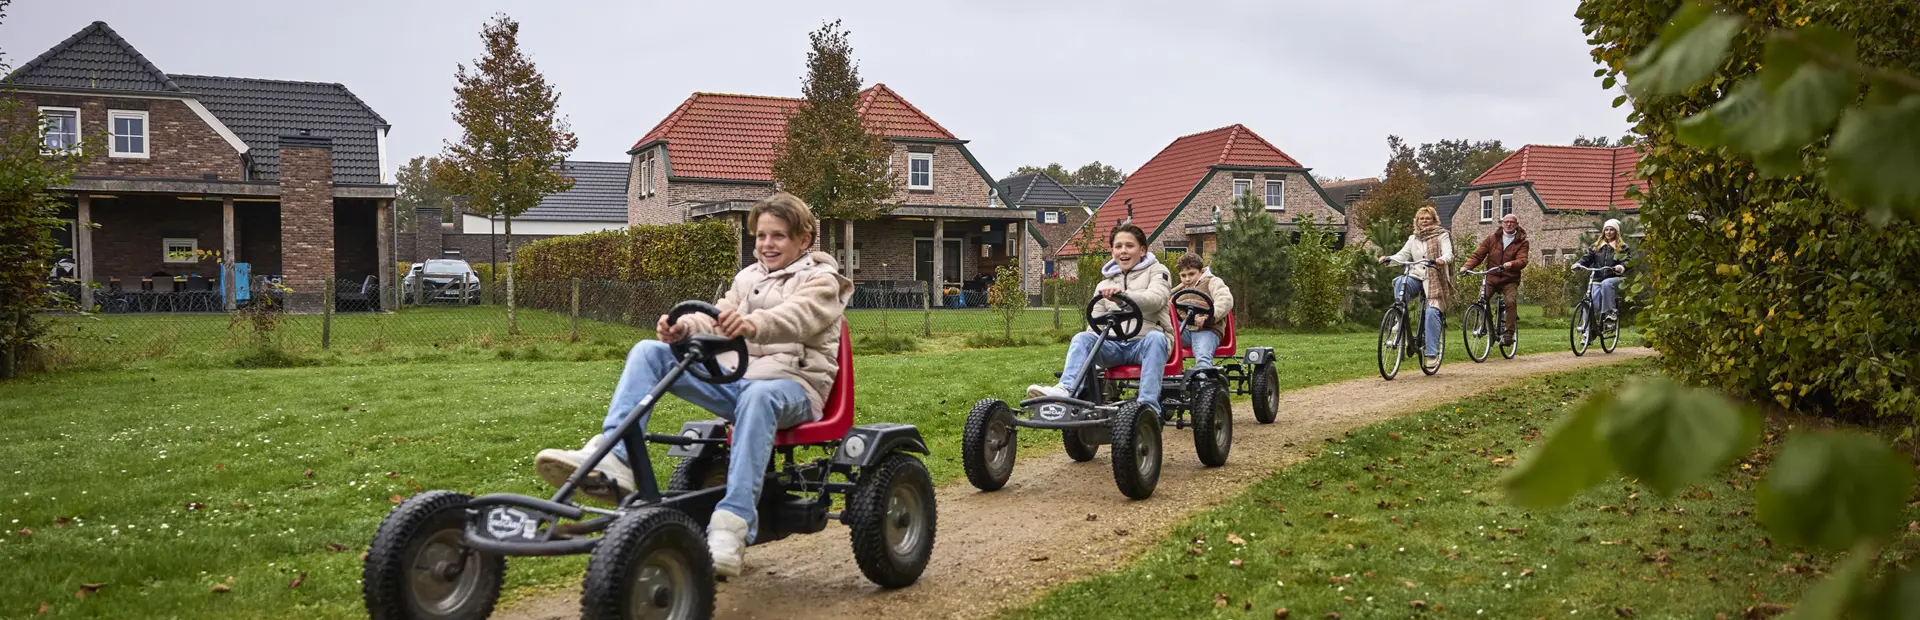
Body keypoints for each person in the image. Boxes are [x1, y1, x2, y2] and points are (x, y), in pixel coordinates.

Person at [532, 192, 852, 578]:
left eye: (779, 236)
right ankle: (616, 457)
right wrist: (684, 328)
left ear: (804, 240)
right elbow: (718, 320)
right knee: (649, 352)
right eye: (761, 236)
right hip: (741, 382)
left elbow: (799, 316)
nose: (767, 245)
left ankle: (732, 525)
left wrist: (754, 324)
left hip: (794, 389)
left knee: (758, 396)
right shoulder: (746, 278)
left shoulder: (823, 281)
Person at [1027, 224, 1173, 413]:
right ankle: (1065, 390)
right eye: (1118, 246)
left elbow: (1156, 299)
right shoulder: (1104, 284)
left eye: (1130, 246)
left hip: (1146, 343)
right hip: (1115, 345)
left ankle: (1147, 406)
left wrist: (1123, 297)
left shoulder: (1158, 271)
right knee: (1082, 338)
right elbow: (1096, 324)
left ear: (1142, 250)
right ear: (1112, 251)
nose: (1123, 251)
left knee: (1156, 338)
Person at [1378, 205, 1456, 366]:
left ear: (1434, 220)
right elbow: (1403, 255)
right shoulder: (1413, 238)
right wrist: (1388, 259)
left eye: (1428, 218)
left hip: (1435, 278)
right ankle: (1400, 315)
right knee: (1400, 281)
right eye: (1421, 219)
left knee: (1432, 313)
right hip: (1416, 276)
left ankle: (1432, 353)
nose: (1424, 221)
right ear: (1417, 221)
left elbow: (1449, 253)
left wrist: (1442, 260)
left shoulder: (1442, 235)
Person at [1460, 213, 1529, 346]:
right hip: (1491, 277)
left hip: (1509, 279)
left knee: (1510, 301)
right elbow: (1478, 255)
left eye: (1512, 222)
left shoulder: (1522, 241)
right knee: (1482, 299)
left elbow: (1523, 260)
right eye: (1506, 222)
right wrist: (1466, 267)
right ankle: (1488, 329)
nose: (1508, 224)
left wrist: (1512, 264)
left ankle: (1509, 334)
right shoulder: (1492, 238)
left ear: (1516, 225)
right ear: (1502, 223)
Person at [1173, 253, 1234, 369]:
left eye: (1191, 274)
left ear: (1201, 272)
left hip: (1207, 329)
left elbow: (1225, 299)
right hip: (1185, 330)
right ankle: (1165, 376)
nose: (1187, 279)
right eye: (1183, 275)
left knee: (1202, 356)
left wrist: (1209, 317)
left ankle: (1204, 381)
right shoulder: (1179, 290)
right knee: (1160, 340)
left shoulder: (1212, 282)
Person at [1574, 218, 1631, 325]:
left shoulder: (1623, 247)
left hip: (1615, 277)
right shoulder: (1596, 246)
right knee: (1591, 303)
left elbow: (1627, 261)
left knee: (1606, 283)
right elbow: (1587, 258)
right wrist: (1579, 264)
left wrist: (1621, 267)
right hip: (1598, 278)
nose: (1609, 232)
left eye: (1612, 230)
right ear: (1603, 232)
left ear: (1616, 232)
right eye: (1606, 230)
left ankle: (1609, 314)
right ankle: (1587, 331)